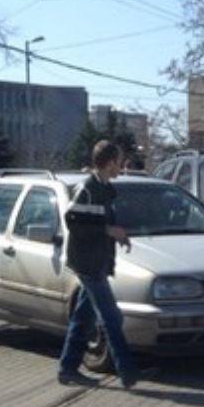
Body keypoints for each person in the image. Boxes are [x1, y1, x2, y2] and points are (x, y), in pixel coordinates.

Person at [58, 140, 140, 388]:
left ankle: (67, 369)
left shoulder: (104, 187)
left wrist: (118, 235)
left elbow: (103, 225)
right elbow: (73, 221)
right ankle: (127, 371)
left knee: (84, 317)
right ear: (109, 162)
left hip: (98, 261)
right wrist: (108, 231)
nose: (122, 165)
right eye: (119, 160)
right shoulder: (88, 187)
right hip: (88, 264)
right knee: (111, 316)